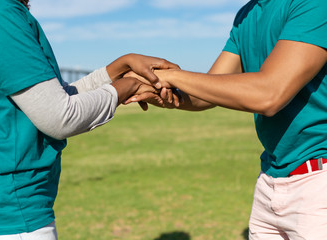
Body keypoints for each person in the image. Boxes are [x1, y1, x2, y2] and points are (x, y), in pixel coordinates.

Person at [0, 0, 179, 238]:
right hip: (9, 216)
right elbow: (60, 116)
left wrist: (119, 67)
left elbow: (52, 97)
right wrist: (128, 86)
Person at [127, 0, 327, 239]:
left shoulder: (314, 4)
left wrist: (171, 76)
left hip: (318, 179)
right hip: (270, 178)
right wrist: (156, 89)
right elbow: (207, 94)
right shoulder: (246, 14)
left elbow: (269, 94)